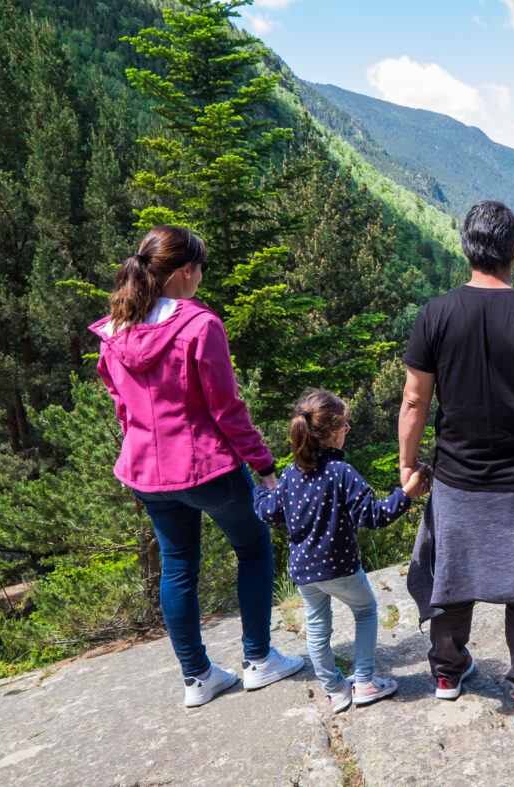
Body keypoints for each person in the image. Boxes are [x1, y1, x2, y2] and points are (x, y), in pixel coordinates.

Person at [90, 225, 304, 708]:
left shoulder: (114, 331)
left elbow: (122, 406)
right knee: (252, 548)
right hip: (207, 467)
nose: (202, 279)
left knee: (178, 565)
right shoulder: (198, 325)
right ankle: (258, 660)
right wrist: (265, 466)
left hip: (146, 471)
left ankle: (198, 678)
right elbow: (227, 409)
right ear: (186, 271)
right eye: (201, 270)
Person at [399, 200, 514, 728]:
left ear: (466, 248)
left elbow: (414, 401)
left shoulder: (435, 314)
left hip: (456, 478)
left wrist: (407, 463)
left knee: (450, 576)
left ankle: (447, 674)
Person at [253, 389, 430, 712]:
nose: (348, 430)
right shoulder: (341, 473)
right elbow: (375, 516)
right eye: (345, 425)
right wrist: (406, 493)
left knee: (317, 626)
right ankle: (364, 682)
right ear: (334, 432)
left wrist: (260, 490)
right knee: (365, 611)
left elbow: (270, 512)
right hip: (341, 568)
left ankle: (335, 689)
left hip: (304, 573)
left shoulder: (292, 475)